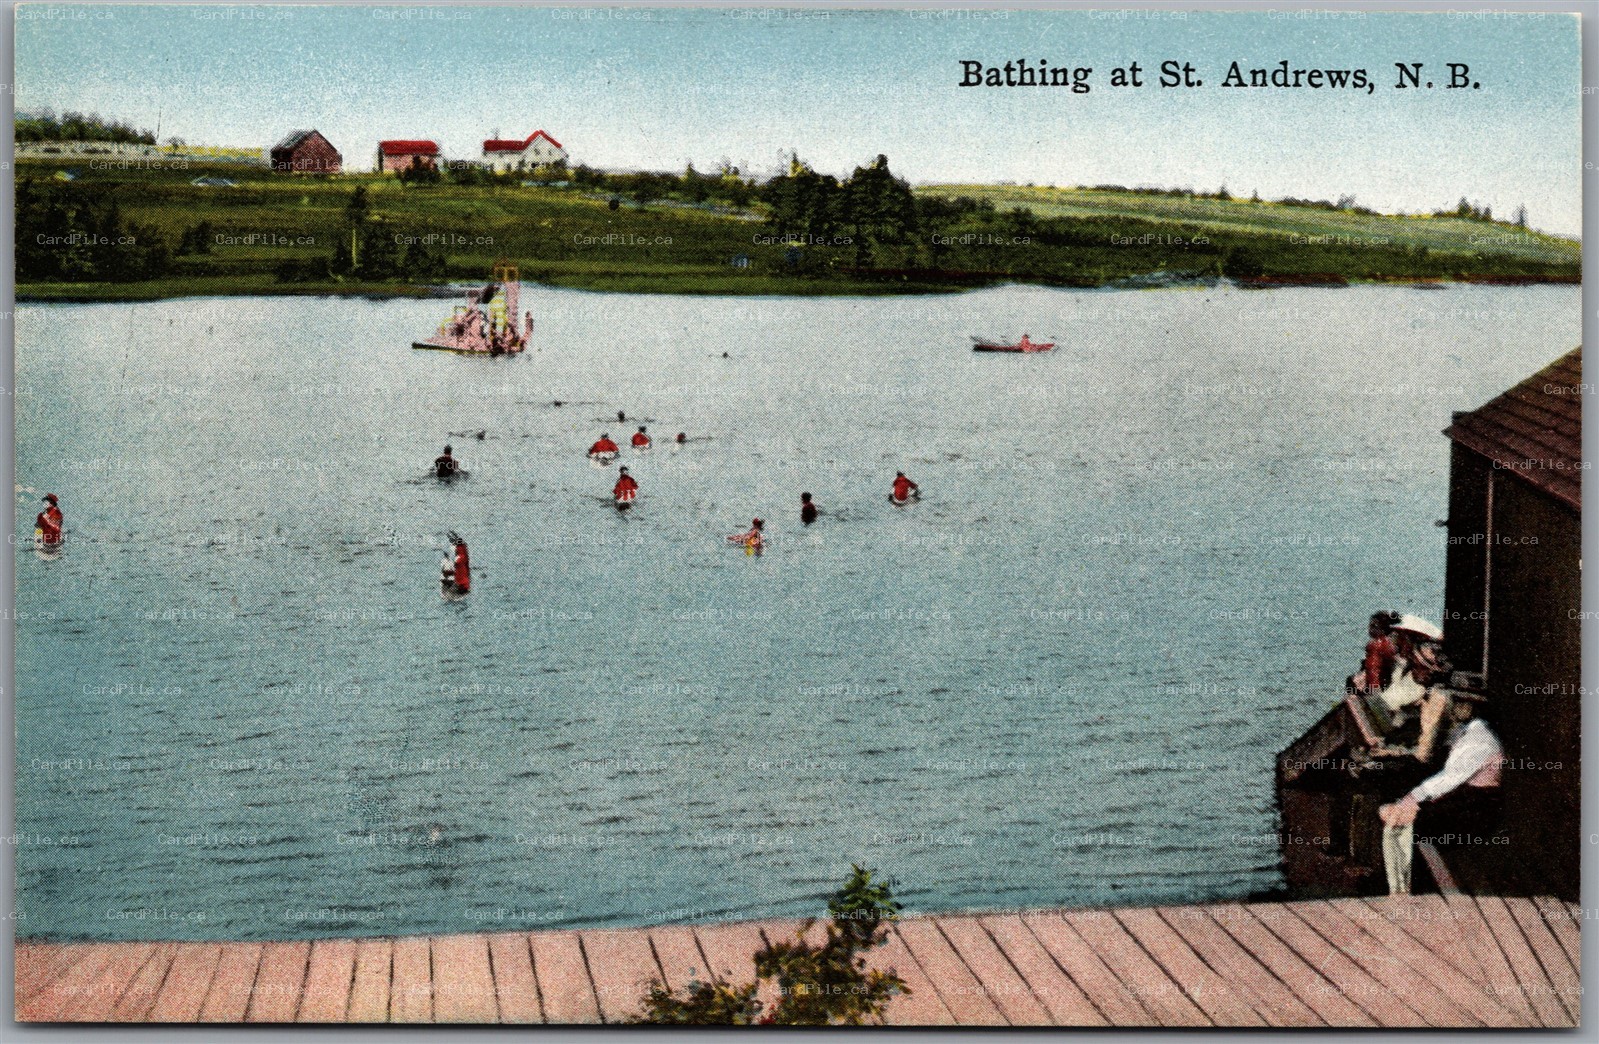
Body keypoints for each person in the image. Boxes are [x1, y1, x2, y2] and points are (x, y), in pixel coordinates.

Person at [1378, 683, 1502, 895]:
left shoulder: (1480, 741)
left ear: (1465, 708)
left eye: (1451, 703)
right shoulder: (1466, 732)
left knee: (1410, 823)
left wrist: (1412, 798)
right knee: (1398, 804)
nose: (1446, 706)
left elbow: (1449, 778)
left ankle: (1410, 888)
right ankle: (1395, 882)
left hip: (1479, 810)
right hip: (1466, 799)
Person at [1347, 610, 1400, 695]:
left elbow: (1373, 669)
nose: (1369, 628)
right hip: (1388, 683)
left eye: (1373, 626)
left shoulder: (1375, 645)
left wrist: (1374, 691)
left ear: (1382, 628)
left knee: (1351, 680)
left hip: (1377, 688)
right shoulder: (1392, 643)